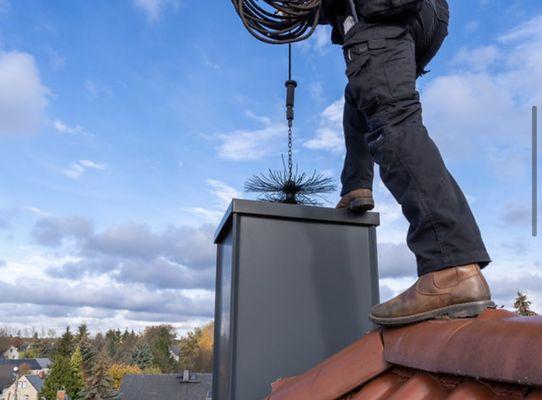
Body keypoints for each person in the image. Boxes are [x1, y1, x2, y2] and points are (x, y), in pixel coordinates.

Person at [320, 0, 494, 326]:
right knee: (359, 94)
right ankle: (356, 184)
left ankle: (450, 268)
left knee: (392, 120)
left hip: (378, 10)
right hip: (427, 15)